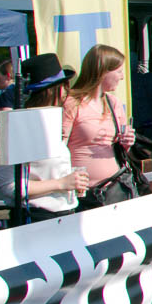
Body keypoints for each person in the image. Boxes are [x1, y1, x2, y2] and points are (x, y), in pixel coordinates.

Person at [16, 54, 89, 220]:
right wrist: (62, 183)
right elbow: (12, 186)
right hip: (39, 217)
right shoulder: (23, 126)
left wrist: (71, 180)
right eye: (65, 86)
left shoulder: (51, 122)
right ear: (55, 90)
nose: (68, 92)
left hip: (65, 214)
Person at [65, 45, 139, 206]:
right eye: (119, 71)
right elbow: (59, 148)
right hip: (82, 195)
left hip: (114, 189)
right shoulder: (72, 104)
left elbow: (121, 149)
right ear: (102, 71)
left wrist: (127, 142)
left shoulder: (114, 103)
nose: (122, 77)